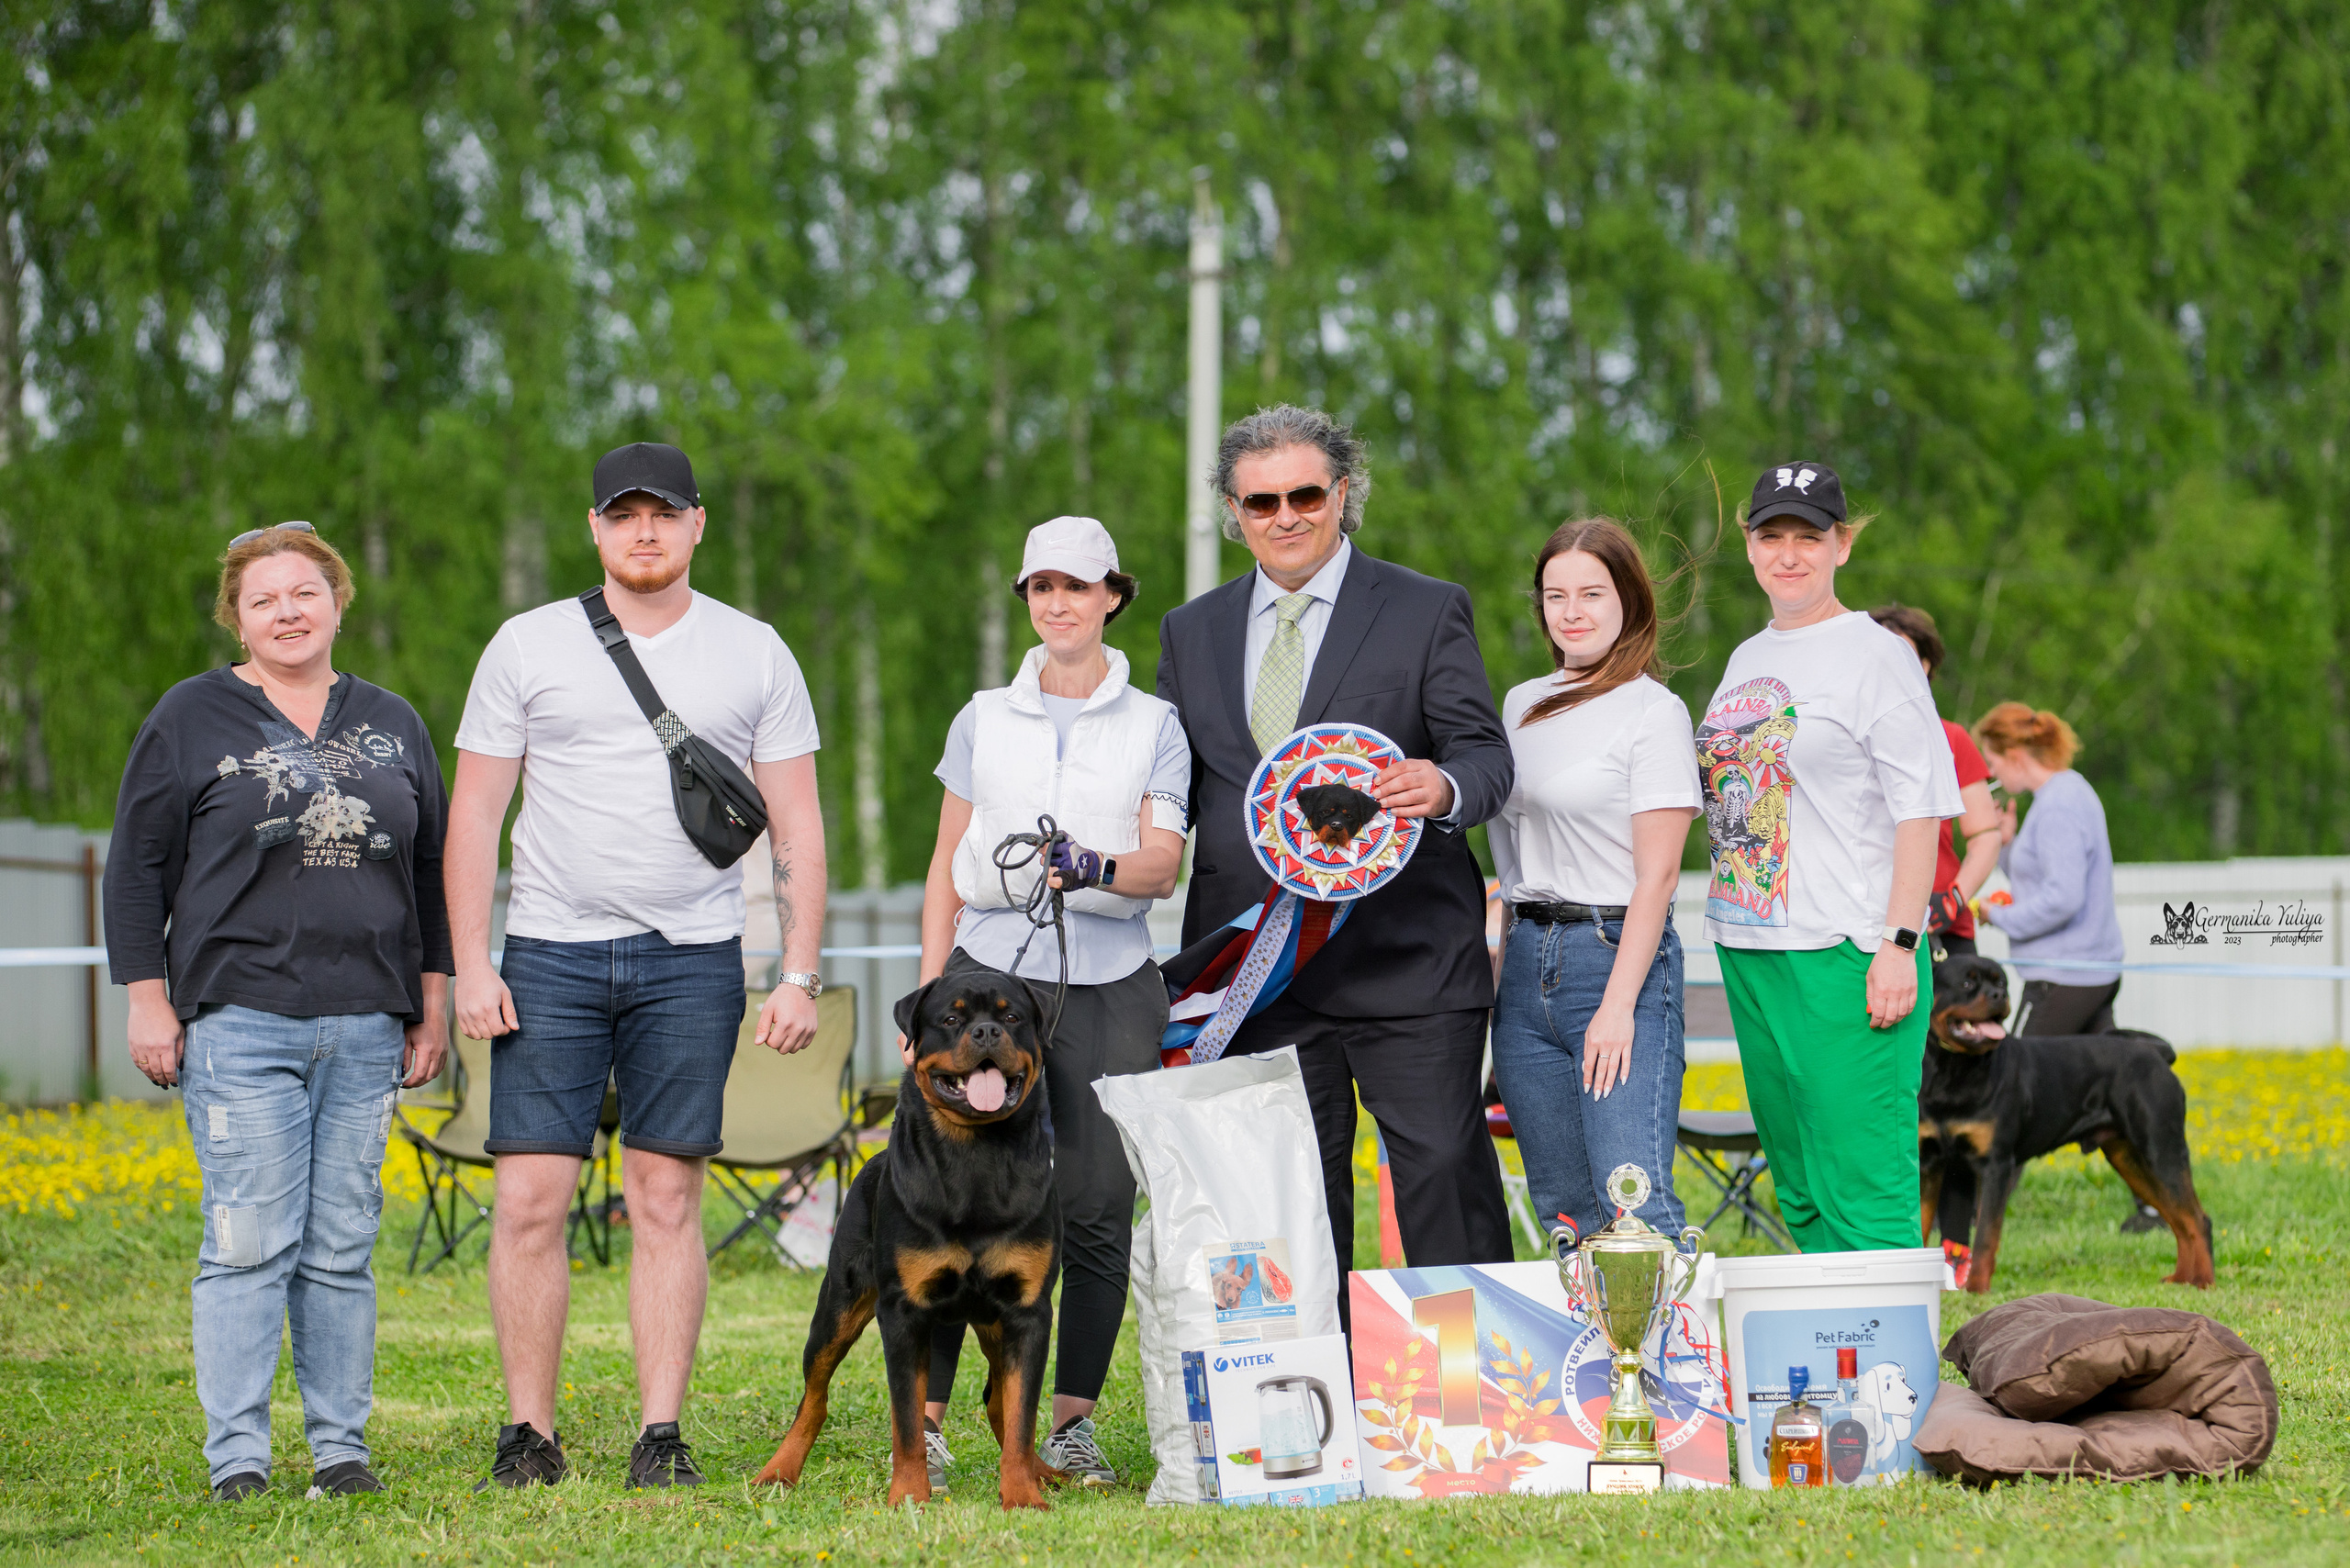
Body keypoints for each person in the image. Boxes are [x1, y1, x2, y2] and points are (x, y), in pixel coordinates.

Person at [447, 442, 827, 1490]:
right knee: (528, 1199)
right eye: (625, 515)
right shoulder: (528, 644)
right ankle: (530, 1435)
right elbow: (476, 811)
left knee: (666, 1199)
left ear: (699, 524)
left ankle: (660, 1436)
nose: (644, 532)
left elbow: (795, 821)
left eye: (664, 514)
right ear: (595, 528)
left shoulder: (753, 651)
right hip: (550, 957)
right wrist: (470, 964)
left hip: (692, 960)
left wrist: (796, 970)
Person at [106, 522, 452, 1502]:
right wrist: (147, 999)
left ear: (338, 602)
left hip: (368, 1020)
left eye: (305, 592)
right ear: (238, 618)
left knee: (342, 1244)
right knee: (250, 1241)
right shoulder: (189, 716)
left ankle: (341, 1452)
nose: (287, 611)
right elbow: (135, 869)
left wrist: (430, 999)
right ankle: (240, 1462)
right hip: (239, 1017)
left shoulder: (392, 719)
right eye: (264, 599)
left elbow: (427, 869)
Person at [1156, 405, 1516, 1311]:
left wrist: (1442, 787)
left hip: (1409, 962)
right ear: (1232, 511)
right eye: (1261, 500)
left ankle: (1464, 1407)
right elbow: (1169, 789)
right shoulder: (1187, 631)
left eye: (1306, 494)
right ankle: (1310, 1416)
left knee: (1441, 1185)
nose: (1286, 515)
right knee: (1281, 1210)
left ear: (1341, 494)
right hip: (1259, 974)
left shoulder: (1425, 607)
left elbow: (1486, 756)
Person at [911, 516, 1188, 1492]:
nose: (1058, 603)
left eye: (1077, 586)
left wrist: (1092, 863)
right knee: (958, 1197)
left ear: (1113, 592)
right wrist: (930, 994)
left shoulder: (1154, 722)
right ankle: (934, 1424)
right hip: (986, 976)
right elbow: (945, 865)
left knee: (1099, 1201)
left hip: (1111, 978)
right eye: (1041, 588)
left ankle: (1068, 1425)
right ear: (1026, 597)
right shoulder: (983, 715)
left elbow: (1160, 866)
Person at [1695, 463, 1959, 1253]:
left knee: (1863, 1183)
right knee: (1801, 1187)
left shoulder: (1876, 655)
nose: (1789, 554)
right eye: (1770, 535)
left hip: (1844, 951)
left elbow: (1922, 814)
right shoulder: (1747, 657)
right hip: (1752, 947)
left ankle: (1893, 1373)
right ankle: (1839, 1364)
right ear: (1748, 546)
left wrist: (1899, 946)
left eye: (1808, 537)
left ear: (1842, 545)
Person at [1489, 520, 1703, 1244]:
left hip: (1615, 959)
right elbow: (1513, 854)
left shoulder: (1654, 714)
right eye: (1555, 595)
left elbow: (1660, 875)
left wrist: (1617, 1010)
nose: (1571, 611)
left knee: (1631, 1199)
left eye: (1591, 593)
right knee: (1564, 1211)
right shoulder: (1521, 704)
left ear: (1630, 602)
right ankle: (1588, 1361)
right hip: (1525, 964)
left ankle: (1673, 1361)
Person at [1868, 605, 2002, 957]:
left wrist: (1954, 899)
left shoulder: (1952, 739)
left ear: (1926, 665)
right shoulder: (1841, 741)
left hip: (1941, 927)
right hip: (1862, 924)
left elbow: (1986, 835)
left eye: (1904, 655)